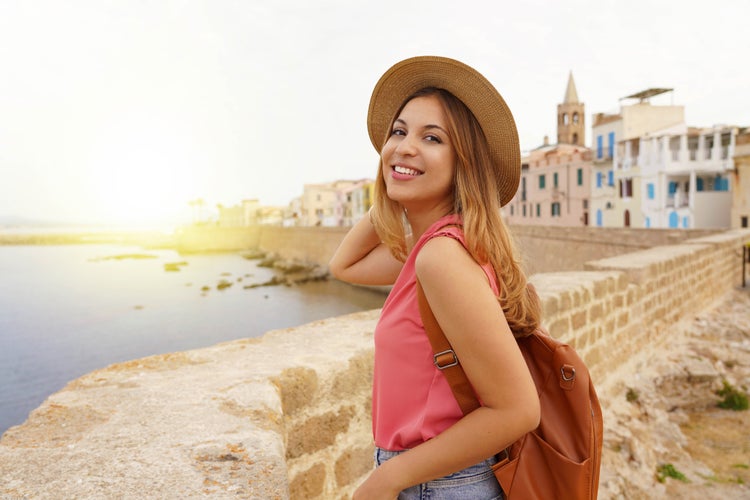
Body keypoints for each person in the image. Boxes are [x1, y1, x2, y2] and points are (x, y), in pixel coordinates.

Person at [329, 56, 542, 500]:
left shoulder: (441, 258)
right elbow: (343, 266)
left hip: (439, 483)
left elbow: (518, 410)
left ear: (464, 163)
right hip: (441, 477)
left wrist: (387, 479)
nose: (405, 145)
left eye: (432, 138)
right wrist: (395, 185)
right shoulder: (439, 245)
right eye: (399, 132)